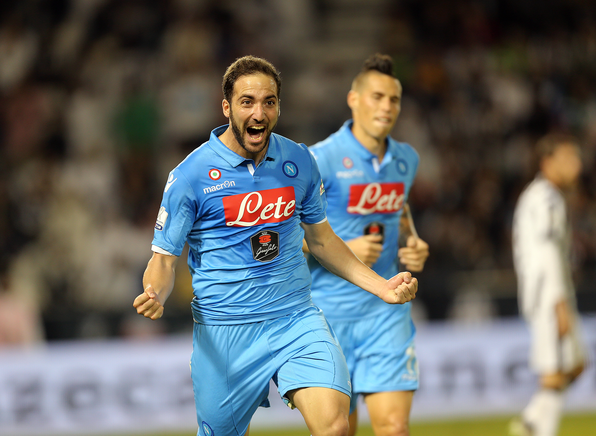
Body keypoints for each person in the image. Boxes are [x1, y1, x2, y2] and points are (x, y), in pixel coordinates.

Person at [132, 55, 419, 436]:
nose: (259, 112)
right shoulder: (191, 175)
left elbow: (321, 239)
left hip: (295, 319)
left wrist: (381, 286)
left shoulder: (298, 160)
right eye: (247, 101)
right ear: (227, 107)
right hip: (226, 332)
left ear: (279, 106)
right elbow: (164, 259)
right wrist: (155, 292)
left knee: (335, 425)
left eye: (269, 102)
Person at [305, 53, 430, 436]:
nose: (387, 106)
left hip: (385, 312)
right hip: (326, 314)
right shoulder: (319, 159)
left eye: (393, 99)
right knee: (339, 430)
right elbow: (282, 236)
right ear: (353, 99)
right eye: (377, 96)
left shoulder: (405, 159)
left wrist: (412, 240)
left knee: (394, 427)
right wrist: (344, 248)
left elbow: (400, 209)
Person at [509, 133, 588, 436]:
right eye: (569, 158)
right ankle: (539, 429)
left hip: (550, 292)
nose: (576, 166)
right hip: (548, 294)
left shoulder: (544, 195)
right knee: (554, 373)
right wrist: (559, 304)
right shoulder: (545, 198)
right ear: (548, 162)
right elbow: (546, 252)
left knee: (575, 364)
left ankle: (531, 420)